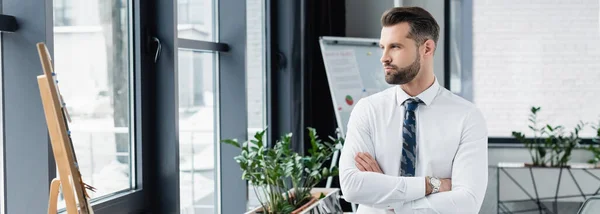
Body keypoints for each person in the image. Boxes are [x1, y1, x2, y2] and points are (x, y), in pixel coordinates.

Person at [338, 6, 488, 214]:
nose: (384, 58)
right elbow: (352, 187)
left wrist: (388, 202)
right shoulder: (367, 110)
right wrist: (431, 185)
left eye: (395, 47)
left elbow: (467, 203)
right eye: (383, 47)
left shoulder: (467, 117)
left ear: (426, 48)